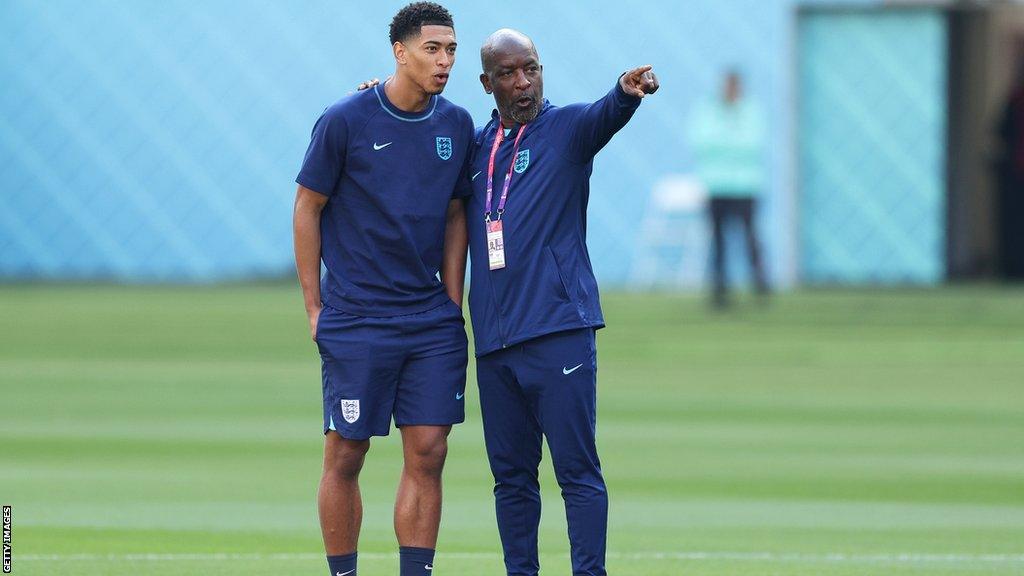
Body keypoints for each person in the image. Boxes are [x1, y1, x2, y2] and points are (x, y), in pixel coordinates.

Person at [466, 29, 658, 576]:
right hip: (496, 341)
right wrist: (375, 102)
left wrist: (626, 91)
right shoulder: (477, 148)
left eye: (531, 68)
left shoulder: (567, 130)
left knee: (576, 472)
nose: (523, 83)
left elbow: (605, 114)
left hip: (557, 331)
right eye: (508, 73)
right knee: (511, 479)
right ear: (487, 83)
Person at [291, 4, 472, 576]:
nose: (444, 61)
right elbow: (307, 208)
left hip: (429, 322)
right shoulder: (345, 120)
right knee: (346, 453)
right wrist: (315, 306)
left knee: (430, 452)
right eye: (432, 49)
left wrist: (451, 301)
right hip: (358, 317)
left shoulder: (457, 124)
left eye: (451, 51)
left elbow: (455, 216)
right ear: (399, 51)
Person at [688, 70, 769, 307]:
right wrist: (732, 142)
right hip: (716, 185)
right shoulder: (707, 110)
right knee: (718, 239)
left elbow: (753, 144)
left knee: (751, 237)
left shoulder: (751, 110)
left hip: (746, 185)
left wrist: (723, 144)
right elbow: (701, 142)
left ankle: (760, 284)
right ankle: (720, 288)